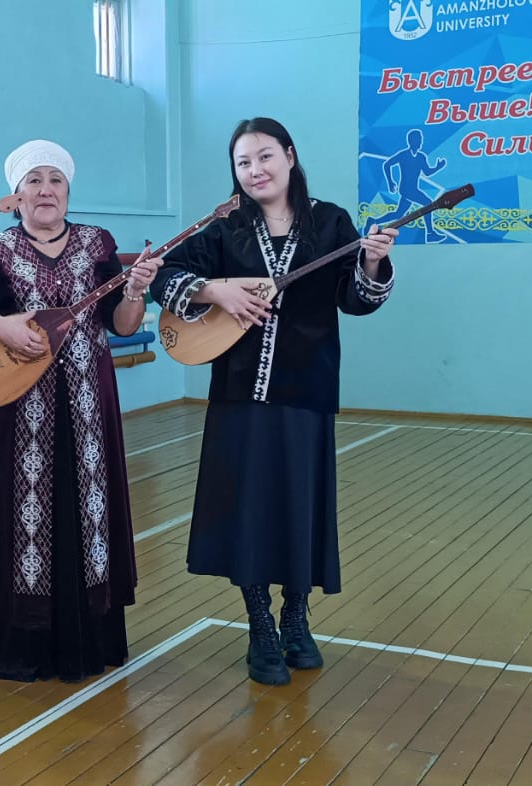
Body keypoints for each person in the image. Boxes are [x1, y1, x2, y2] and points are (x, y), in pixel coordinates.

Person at [151, 117, 397, 685]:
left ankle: (296, 617)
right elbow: (166, 274)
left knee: (298, 509)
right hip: (239, 395)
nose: (255, 170)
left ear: (289, 155)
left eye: (264, 156)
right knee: (248, 512)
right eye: (243, 162)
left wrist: (372, 261)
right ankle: (259, 625)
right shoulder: (226, 228)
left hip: (307, 390)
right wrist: (216, 289)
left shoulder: (330, 222)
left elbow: (356, 300)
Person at [0, 140, 161, 682]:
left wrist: (135, 293)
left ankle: (89, 642)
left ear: (68, 190)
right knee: (21, 519)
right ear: (17, 194)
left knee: (88, 516)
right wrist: (3, 327)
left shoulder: (97, 243)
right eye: (33, 181)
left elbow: (121, 325)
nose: (45, 190)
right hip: (18, 413)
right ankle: (23, 649)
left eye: (55, 180)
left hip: (88, 411)